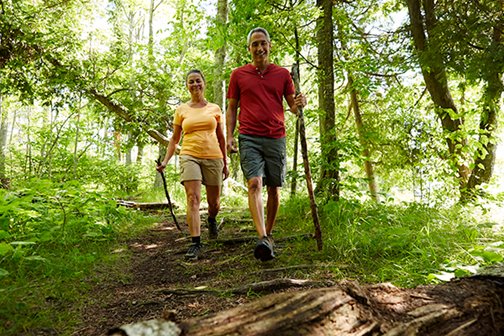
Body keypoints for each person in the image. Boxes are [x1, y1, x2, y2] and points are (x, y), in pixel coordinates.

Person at [226, 27, 307, 261]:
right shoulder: (238, 75)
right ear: (249, 49)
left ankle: (268, 236)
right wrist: (229, 136)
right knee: (254, 183)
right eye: (255, 44)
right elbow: (232, 107)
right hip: (249, 136)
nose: (259, 48)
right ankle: (261, 236)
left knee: (273, 187)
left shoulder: (282, 74)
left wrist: (300, 102)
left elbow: (293, 107)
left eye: (263, 43)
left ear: (270, 46)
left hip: (275, 137)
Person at [157, 69, 229, 261]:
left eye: (198, 81)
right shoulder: (181, 110)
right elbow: (174, 139)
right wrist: (165, 161)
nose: (195, 84)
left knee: (214, 203)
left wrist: (226, 162)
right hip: (189, 155)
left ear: (204, 83)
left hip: (213, 156)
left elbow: (221, 138)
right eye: (191, 82)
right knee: (193, 198)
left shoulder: (214, 108)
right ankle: (195, 242)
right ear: (187, 86)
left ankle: (212, 220)